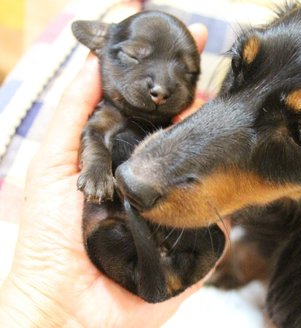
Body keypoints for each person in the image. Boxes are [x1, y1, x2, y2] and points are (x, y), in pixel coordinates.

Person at [0, 23, 226, 327]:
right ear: (101, 45)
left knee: (210, 233)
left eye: (185, 72)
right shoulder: (107, 118)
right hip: (115, 248)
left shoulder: (176, 127)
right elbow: (95, 138)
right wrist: (96, 168)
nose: (161, 87)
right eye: (135, 56)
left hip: (177, 252)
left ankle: (168, 263)